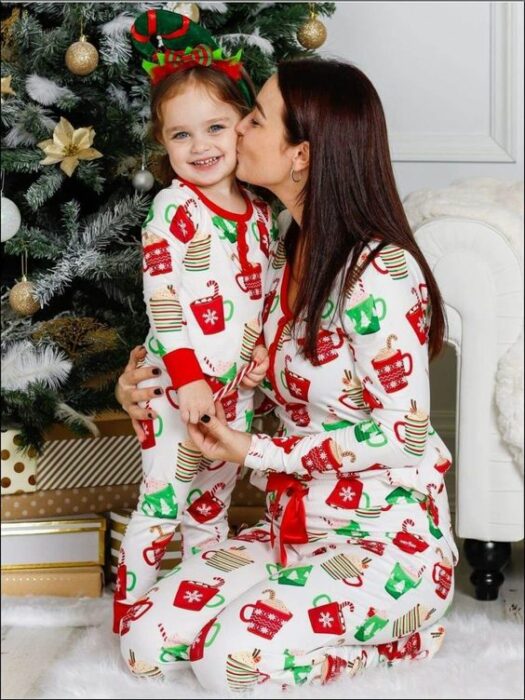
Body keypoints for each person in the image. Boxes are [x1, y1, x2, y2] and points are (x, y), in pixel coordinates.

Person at [115, 56, 458, 692]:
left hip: (385, 544)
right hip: (290, 531)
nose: (235, 129)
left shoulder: (379, 273)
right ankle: (275, 604)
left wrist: (255, 450)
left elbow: (402, 437)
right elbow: (222, 351)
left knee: (228, 666)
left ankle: (399, 637)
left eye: (255, 117)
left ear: (300, 154)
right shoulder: (281, 247)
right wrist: (145, 385)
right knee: (145, 645)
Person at [113, 10, 273, 634]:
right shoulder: (172, 208)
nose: (201, 146)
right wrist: (189, 380)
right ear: (163, 144)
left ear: (242, 129)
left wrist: (258, 355)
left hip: (237, 390)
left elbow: (263, 296)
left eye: (215, 128)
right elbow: (164, 301)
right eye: (181, 136)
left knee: (214, 508)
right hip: (180, 390)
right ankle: (130, 620)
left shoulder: (260, 213)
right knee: (163, 504)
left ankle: (198, 612)